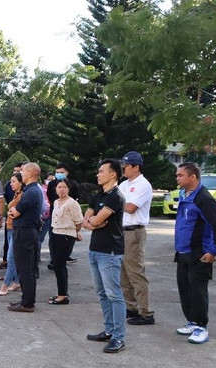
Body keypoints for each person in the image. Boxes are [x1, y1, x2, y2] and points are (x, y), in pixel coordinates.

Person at [173, 162, 216, 344]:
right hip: (182, 251)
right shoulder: (184, 195)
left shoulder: (203, 199)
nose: (177, 178)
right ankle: (192, 322)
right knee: (185, 289)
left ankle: (201, 327)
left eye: (180, 175)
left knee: (198, 291)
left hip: (200, 253)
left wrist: (213, 251)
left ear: (192, 177)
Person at [82, 159, 127, 354]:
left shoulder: (115, 197)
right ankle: (109, 330)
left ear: (113, 174)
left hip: (110, 252)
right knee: (102, 293)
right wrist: (95, 222)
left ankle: (118, 337)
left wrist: (95, 221)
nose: (97, 174)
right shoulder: (98, 195)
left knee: (114, 294)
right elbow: (85, 221)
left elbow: (97, 218)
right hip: (95, 250)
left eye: (101, 171)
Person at [118, 151, 155, 326]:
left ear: (136, 167)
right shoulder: (124, 184)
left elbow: (131, 207)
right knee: (123, 274)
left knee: (135, 273)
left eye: (126, 166)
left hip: (134, 232)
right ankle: (131, 307)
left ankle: (146, 312)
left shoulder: (143, 184)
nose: (123, 169)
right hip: (121, 231)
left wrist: (116, 205)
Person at [6, 162, 43, 312]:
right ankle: (26, 299)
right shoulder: (30, 190)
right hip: (26, 231)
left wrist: (13, 211)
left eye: (23, 171)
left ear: (30, 173)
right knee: (26, 268)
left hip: (25, 232)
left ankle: (27, 303)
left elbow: (15, 212)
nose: (21, 174)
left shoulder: (31, 192)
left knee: (25, 269)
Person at [48, 179, 83, 305]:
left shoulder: (72, 203)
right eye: (59, 187)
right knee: (56, 264)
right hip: (55, 233)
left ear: (68, 189)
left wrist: (74, 233)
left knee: (59, 264)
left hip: (66, 236)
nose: (61, 189)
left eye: (64, 187)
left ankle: (63, 295)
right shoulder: (56, 202)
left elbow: (79, 222)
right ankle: (61, 292)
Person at [44, 163, 80, 267]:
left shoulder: (73, 184)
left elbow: (76, 199)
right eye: (57, 172)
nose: (59, 174)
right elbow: (50, 198)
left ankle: (64, 257)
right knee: (53, 238)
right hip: (54, 215)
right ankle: (53, 259)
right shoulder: (51, 184)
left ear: (67, 173)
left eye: (62, 172)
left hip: (68, 216)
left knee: (68, 238)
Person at [0, 173, 23, 296]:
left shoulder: (23, 195)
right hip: (10, 227)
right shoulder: (16, 194)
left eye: (13, 181)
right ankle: (17, 280)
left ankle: (6, 283)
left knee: (11, 257)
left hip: (15, 228)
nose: (11, 184)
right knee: (13, 255)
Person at [1, 162, 23, 269]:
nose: (16, 172)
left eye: (19, 171)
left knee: (14, 253)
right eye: (15, 171)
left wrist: (13, 209)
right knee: (8, 246)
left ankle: (14, 278)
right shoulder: (9, 187)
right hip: (9, 222)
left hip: (16, 223)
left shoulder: (25, 192)